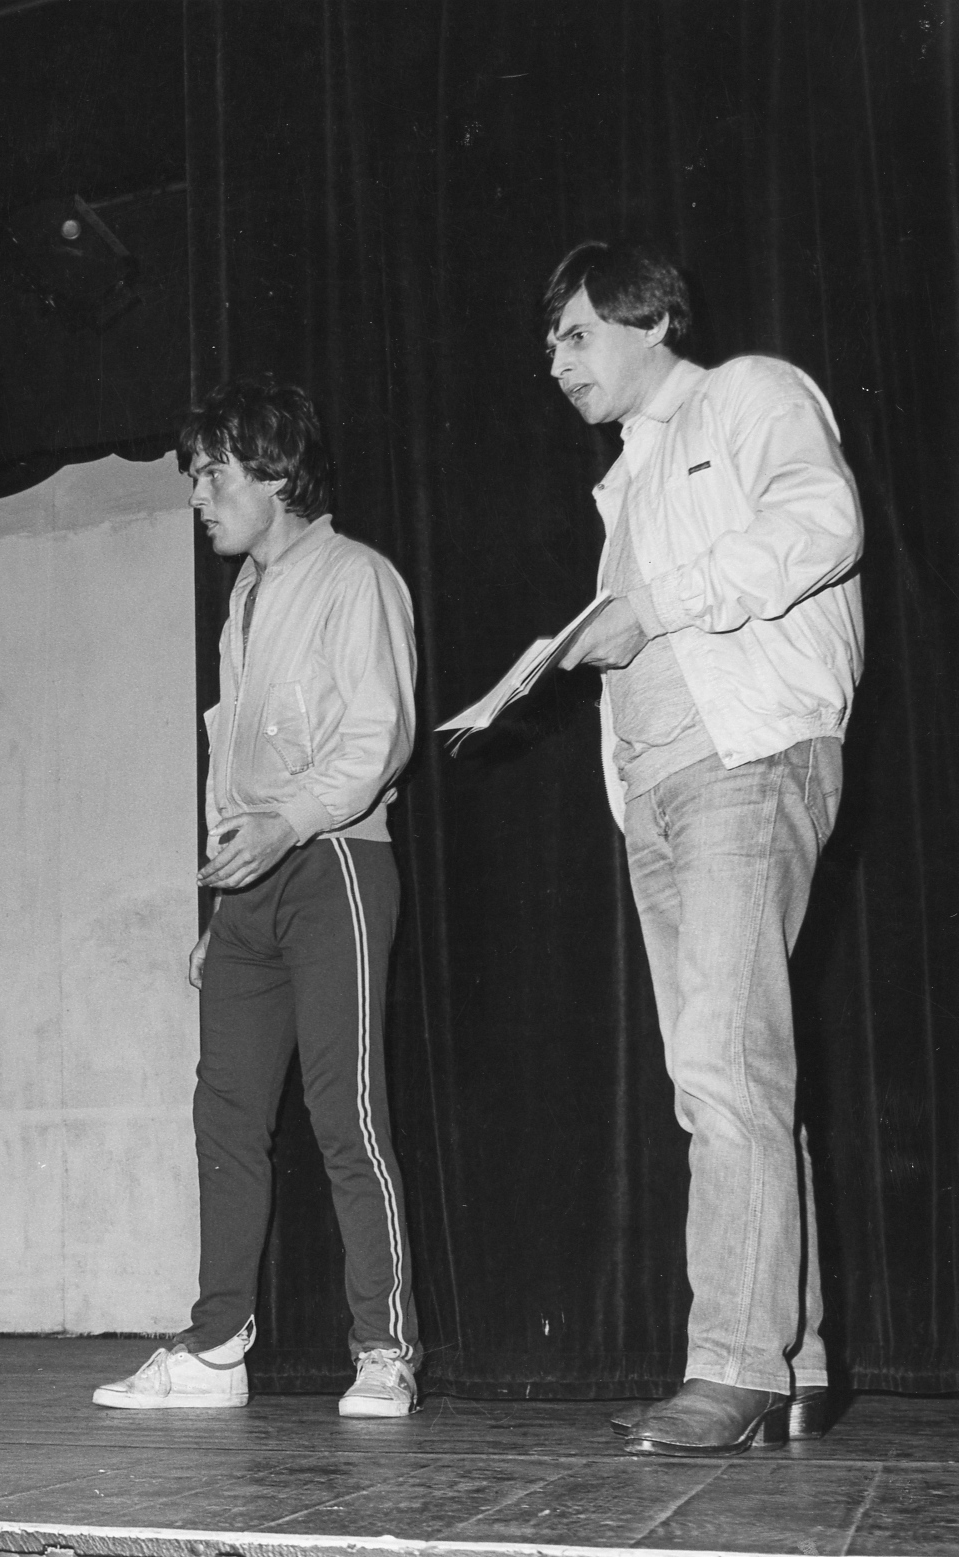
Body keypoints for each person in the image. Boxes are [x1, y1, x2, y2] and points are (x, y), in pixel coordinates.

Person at [544, 240, 862, 1456]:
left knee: (727, 1073)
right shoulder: (624, 480)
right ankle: (795, 1360)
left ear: (645, 319)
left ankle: (729, 1364)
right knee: (727, 1080)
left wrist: (653, 604)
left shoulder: (748, 396)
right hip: (664, 798)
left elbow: (821, 524)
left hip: (746, 768)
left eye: (574, 333)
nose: (555, 361)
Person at [93, 377, 422, 1418]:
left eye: (214, 473)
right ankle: (215, 1343)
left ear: (276, 475)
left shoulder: (356, 576)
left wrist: (286, 824)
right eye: (195, 474)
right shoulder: (243, 597)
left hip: (331, 864)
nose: (198, 493)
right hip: (250, 887)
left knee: (343, 1113)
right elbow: (227, 758)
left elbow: (377, 738)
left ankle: (385, 1349)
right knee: (224, 1114)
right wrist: (217, 900)